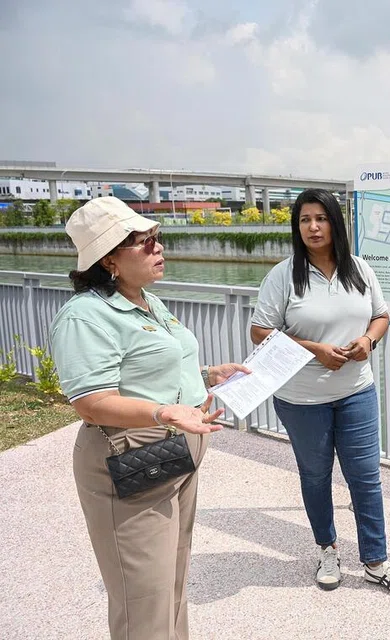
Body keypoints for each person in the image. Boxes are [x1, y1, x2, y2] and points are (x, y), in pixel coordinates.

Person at [47, 196, 250, 639]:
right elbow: (91, 401)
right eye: (145, 242)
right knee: (143, 598)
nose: (159, 248)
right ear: (109, 259)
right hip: (132, 453)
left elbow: (153, 370)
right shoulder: (85, 316)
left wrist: (207, 375)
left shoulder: (146, 302)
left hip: (175, 448)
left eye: (158, 239)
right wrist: (163, 412)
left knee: (172, 582)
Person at [249, 188, 390, 599]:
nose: (313, 227)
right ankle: (327, 550)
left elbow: (381, 315)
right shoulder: (284, 275)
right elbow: (259, 331)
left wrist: (368, 341)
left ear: (334, 223)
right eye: (305, 219)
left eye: (320, 218)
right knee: (315, 475)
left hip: (357, 391)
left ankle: (376, 561)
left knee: (365, 478)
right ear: (297, 226)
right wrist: (315, 350)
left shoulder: (358, 269)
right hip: (301, 398)